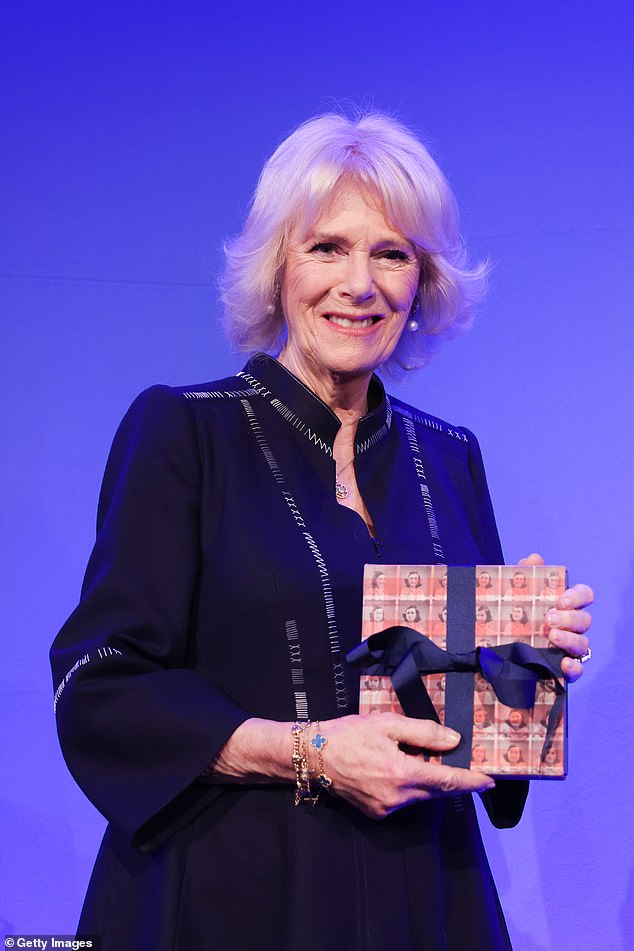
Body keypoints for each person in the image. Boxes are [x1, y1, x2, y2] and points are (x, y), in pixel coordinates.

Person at [50, 112, 593, 951]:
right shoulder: (184, 432)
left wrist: (525, 656)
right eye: (327, 247)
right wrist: (310, 751)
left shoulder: (449, 457)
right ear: (277, 269)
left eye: (391, 253)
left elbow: (472, 732)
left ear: (424, 282)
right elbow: (101, 685)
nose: (361, 283)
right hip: (233, 895)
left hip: (428, 899)